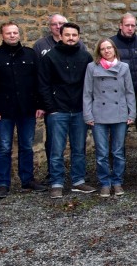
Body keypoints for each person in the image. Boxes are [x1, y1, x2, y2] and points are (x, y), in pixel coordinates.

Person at [0, 22, 46, 198]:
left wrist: (41, 105)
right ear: (2, 35)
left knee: (27, 146)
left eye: (15, 32)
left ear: (19, 34)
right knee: (4, 147)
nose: (12, 35)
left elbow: (38, 83)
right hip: (3, 111)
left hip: (27, 109)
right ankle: (3, 184)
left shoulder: (30, 55)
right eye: (8, 33)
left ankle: (27, 179)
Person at [38, 22, 94, 199]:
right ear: (60, 36)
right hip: (58, 110)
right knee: (56, 149)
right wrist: (51, 109)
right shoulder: (50, 57)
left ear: (78, 37)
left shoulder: (85, 57)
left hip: (79, 109)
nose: (71, 38)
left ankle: (78, 181)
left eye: (74, 35)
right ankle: (57, 182)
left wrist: (88, 107)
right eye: (67, 35)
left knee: (79, 148)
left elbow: (91, 84)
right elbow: (43, 84)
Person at [83, 38, 136, 198]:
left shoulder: (124, 67)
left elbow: (129, 91)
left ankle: (118, 182)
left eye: (109, 48)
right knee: (102, 152)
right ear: (99, 52)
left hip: (120, 113)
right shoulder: (92, 67)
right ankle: (105, 183)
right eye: (103, 49)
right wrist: (88, 115)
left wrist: (131, 113)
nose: (106, 51)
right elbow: (87, 93)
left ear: (114, 50)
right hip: (99, 114)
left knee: (118, 151)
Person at [109, 13, 137, 176]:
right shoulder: (111, 43)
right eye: (127, 25)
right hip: (119, 96)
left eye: (133, 25)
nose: (130, 28)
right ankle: (115, 167)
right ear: (120, 25)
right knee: (117, 134)